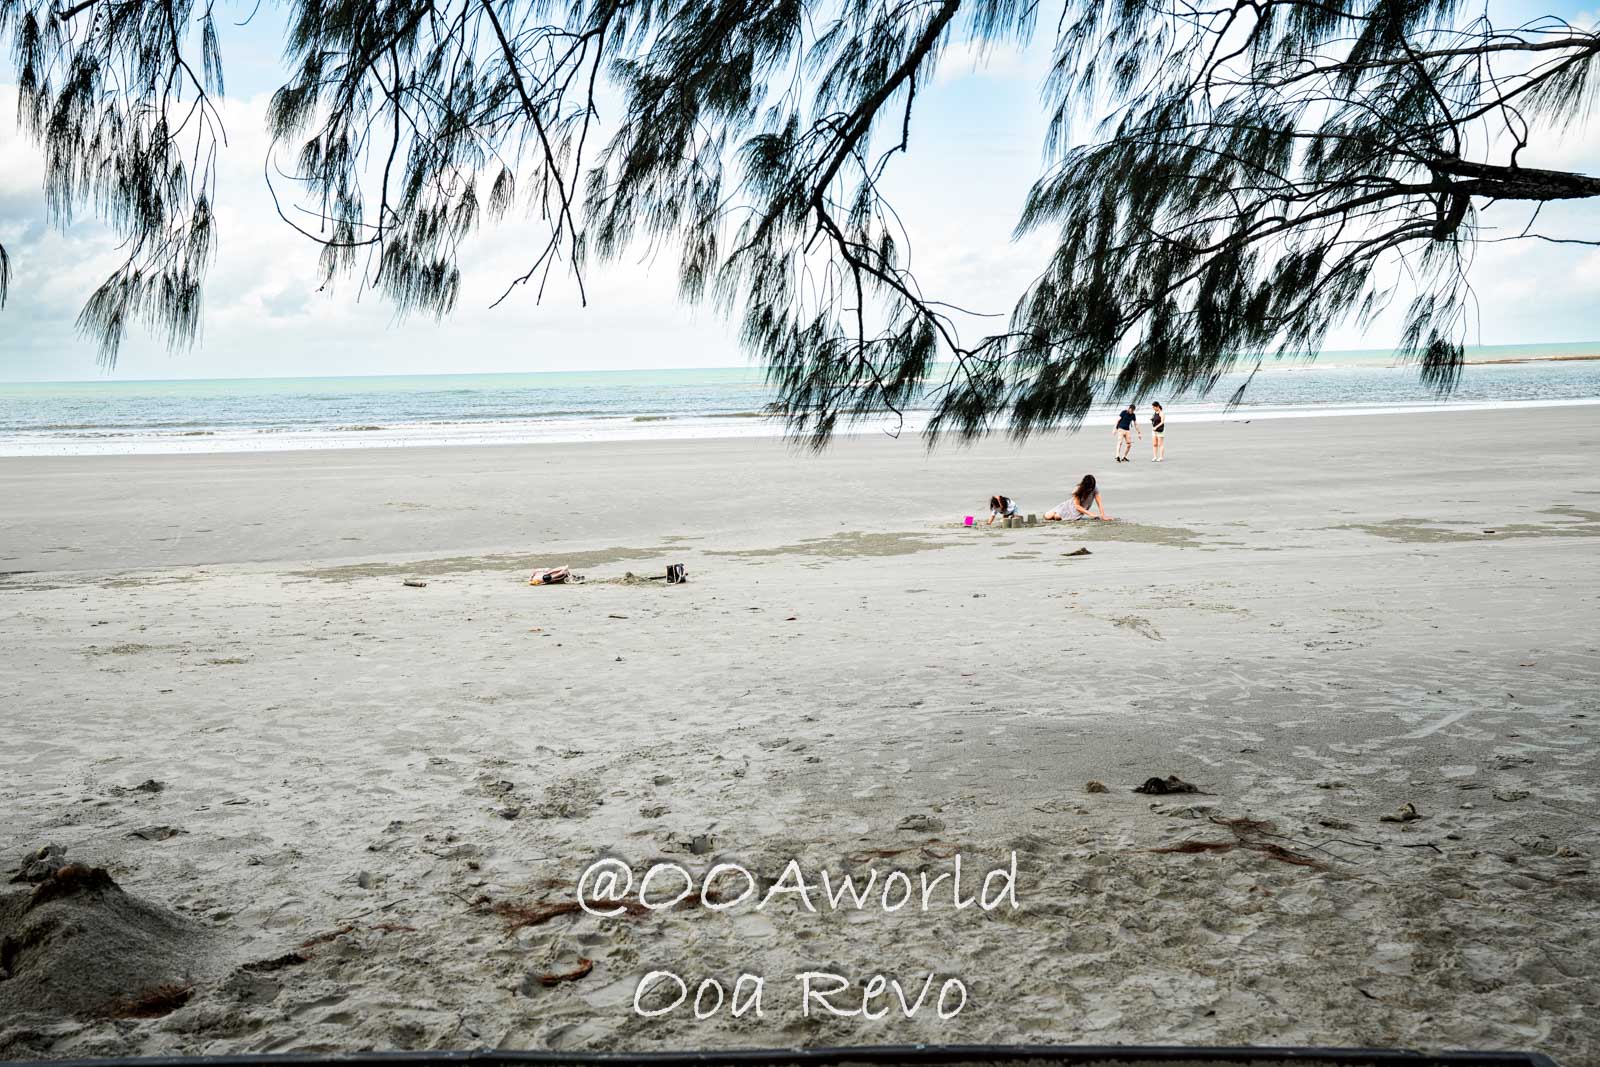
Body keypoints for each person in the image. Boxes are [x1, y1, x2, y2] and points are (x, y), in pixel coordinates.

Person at [1045, 475, 1113, 521]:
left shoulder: (1094, 488)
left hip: (1078, 511)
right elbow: (1077, 506)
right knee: (1047, 516)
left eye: (1092, 487)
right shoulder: (1078, 489)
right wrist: (1091, 514)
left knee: (1057, 517)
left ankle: (1057, 515)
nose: (1090, 489)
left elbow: (1099, 503)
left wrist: (1103, 515)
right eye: (1089, 488)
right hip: (1071, 506)